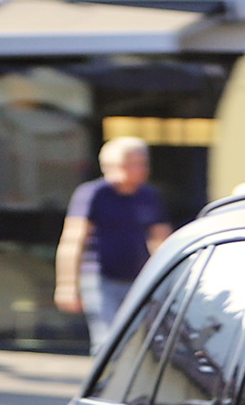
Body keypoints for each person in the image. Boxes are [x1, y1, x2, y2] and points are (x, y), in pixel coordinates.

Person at [55, 137, 172, 348]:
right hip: (101, 277)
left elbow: (160, 238)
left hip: (138, 279)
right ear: (111, 166)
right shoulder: (93, 194)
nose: (140, 169)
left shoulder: (149, 196)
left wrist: (167, 276)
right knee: (108, 341)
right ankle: (106, 380)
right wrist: (67, 285)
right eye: (132, 164)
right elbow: (74, 240)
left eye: (142, 163)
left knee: (139, 340)